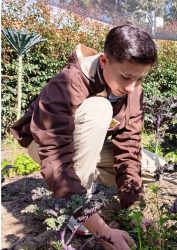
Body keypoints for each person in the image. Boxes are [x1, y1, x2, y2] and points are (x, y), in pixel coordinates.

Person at [10, 24, 158, 249]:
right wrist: (103, 231)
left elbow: (129, 146)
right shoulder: (68, 82)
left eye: (139, 79)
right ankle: (78, 211)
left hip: (84, 146)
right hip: (42, 146)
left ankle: (81, 185)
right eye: (126, 77)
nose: (131, 88)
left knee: (152, 166)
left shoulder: (133, 90)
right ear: (104, 61)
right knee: (99, 109)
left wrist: (133, 211)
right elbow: (55, 156)